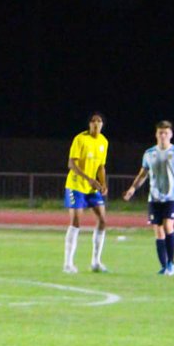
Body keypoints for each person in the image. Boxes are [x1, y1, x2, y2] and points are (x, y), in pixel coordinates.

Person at [123, 120, 174, 275]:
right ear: (156, 134)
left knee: (168, 226)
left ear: (171, 135)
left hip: (172, 196)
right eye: (160, 133)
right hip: (154, 198)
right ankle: (164, 266)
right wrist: (132, 189)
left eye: (166, 133)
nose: (163, 136)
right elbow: (143, 174)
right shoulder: (149, 153)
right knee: (158, 231)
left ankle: (171, 262)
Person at [62, 113, 110, 273]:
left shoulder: (104, 142)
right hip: (76, 186)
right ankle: (68, 264)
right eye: (93, 121)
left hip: (92, 188)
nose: (96, 124)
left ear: (102, 124)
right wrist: (89, 179)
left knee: (102, 220)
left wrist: (103, 183)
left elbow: (101, 166)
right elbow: (71, 164)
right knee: (76, 221)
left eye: (99, 121)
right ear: (89, 124)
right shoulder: (80, 139)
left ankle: (96, 262)